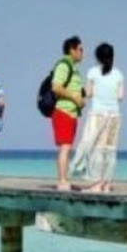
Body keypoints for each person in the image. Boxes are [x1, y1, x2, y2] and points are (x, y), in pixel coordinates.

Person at [70, 42, 124, 193]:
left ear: (98, 57)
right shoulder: (118, 74)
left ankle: (95, 185)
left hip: (98, 115)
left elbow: (88, 93)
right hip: (114, 116)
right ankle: (106, 184)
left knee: (96, 149)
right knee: (110, 150)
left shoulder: (93, 72)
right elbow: (120, 96)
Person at [50, 36, 86, 191]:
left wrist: (80, 100)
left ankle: (65, 180)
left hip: (71, 113)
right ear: (72, 50)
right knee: (65, 147)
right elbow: (56, 87)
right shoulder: (64, 65)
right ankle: (62, 181)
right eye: (80, 49)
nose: (82, 53)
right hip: (63, 111)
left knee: (67, 147)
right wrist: (75, 99)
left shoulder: (74, 67)